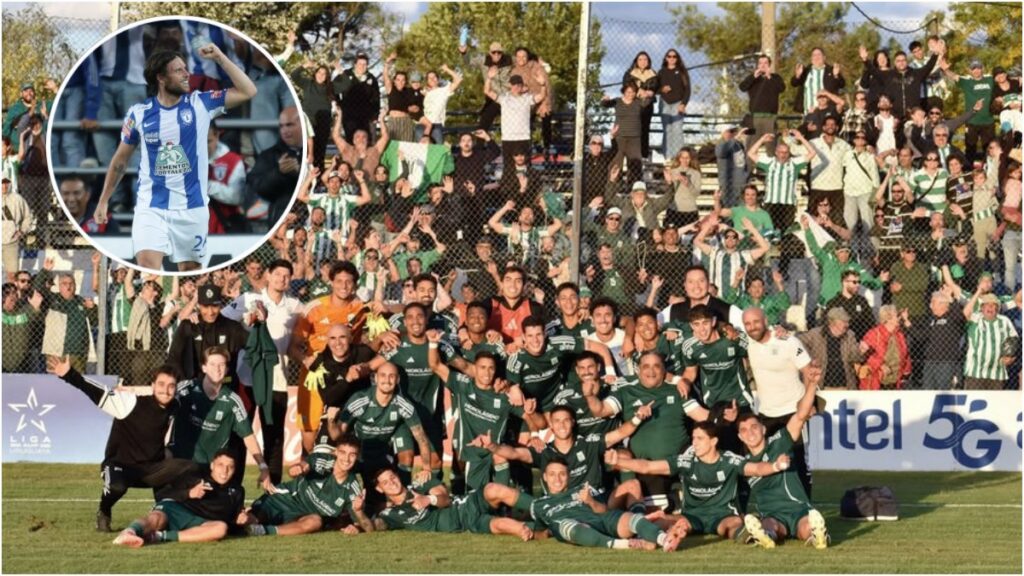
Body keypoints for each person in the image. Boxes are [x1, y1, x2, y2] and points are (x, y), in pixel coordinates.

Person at [94, 46, 257, 271]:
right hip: (151, 207)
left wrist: (220, 58)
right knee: (147, 267)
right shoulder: (138, 113)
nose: (186, 74)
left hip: (193, 208)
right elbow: (120, 160)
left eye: (185, 68)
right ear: (161, 77)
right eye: (178, 70)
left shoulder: (201, 103)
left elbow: (248, 91)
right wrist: (104, 200)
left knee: (190, 273)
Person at [47, 356, 199, 532]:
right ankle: (104, 511)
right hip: (120, 467)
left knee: (191, 468)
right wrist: (69, 374)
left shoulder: (175, 405)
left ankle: (169, 513)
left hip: (150, 470)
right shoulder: (130, 403)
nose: (166, 390)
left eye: (171, 386)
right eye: (161, 384)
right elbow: (97, 391)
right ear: (152, 386)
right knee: (116, 487)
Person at [605, 421, 788, 544]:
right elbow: (648, 467)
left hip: (722, 515)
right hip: (692, 517)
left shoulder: (730, 460)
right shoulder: (686, 461)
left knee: (732, 525)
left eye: (700, 438)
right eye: (693, 438)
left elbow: (756, 469)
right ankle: (659, 537)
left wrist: (775, 465)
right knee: (659, 522)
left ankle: (750, 536)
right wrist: (619, 461)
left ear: (713, 441)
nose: (694, 443)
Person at [221, 259, 302, 484]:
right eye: (277, 274)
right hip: (245, 378)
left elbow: (304, 334)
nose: (281, 279)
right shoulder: (249, 299)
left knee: (274, 437)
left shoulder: (294, 306)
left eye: (286, 276)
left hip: (277, 380)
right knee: (238, 434)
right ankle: (231, 489)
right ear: (267, 275)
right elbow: (221, 321)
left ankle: (272, 490)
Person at [428, 341, 546, 490]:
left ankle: (504, 504)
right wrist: (432, 344)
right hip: (473, 454)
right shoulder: (463, 385)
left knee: (500, 456)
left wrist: (534, 434)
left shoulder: (504, 395)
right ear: (474, 369)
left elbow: (528, 416)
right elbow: (436, 365)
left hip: (496, 450)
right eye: (482, 367)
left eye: (491, 368)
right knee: (475, 498)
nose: (487, 372)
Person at [736, 365, 829, 550]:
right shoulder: (743, 463)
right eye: (744, 431)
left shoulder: (779, 442)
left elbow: (801, 414)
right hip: (772, 515)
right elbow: (758, 469)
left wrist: (811, 384)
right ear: (740, 437)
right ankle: (765, 536)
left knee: (805, 526)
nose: (750, 433)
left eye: (754, 427)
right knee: (771, 527)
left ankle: (817, 535)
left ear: (763, 429)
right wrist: (775, 466)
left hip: (799, 509)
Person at [169, 346, 273, 490]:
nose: (217, 369)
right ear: (203, 367)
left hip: (211, 472)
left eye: (221, 365)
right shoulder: (185, 390)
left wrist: (263, 466)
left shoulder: (232, 401)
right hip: (181, 466)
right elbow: (160, 412)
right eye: (212, 364)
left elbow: (248, 436)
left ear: (227, 369)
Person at [290, 260, 368, 452]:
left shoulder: (360, 308)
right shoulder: (314, 308)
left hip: (344, 379)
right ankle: (307, 473)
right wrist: (306, 361)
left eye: (348, 281)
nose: (344, 286)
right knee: (309, 432)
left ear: (355, 284)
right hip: (315, 377)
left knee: (342, 433)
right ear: (331, 282)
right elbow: (293, 346)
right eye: (339, 281)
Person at [741, 308, 817, 495]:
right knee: (769, 464)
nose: (752, 327)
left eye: (756, 322)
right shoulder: (746, 342)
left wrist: (809, 402)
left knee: (800, 463)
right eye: (748, 324)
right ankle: (776, 509)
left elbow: (809, 372)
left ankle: (806, 512)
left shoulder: (788, 341)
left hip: (794, 411)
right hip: (767, 414)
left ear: (765, 320)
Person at [528, 458, 681, 551]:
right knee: (566, 526)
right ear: (545, 477)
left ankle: (665, 540)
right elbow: (541, 531)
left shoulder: (582, 489)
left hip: (602, 520)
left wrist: (590, 501)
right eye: (552, 474)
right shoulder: (539, 504)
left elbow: (603, 510)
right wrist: (529, 533)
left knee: (633, 519)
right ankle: (627, 544)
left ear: (568, 476)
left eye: (562, 474)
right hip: (579, 529)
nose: (557, 479)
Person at [241, 435, 370, 536]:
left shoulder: (352, 487)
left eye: (352, 455)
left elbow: (367, 526)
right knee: (245, 522)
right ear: (336, 452)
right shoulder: (321, 461)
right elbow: (300, 467)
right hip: (282, 499)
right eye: (343, 452)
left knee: (315, 522)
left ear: (357, 457)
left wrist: (358, 519)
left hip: (301, 517)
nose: (346, 459)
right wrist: (298, 469)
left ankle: (264, 531)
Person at [112, 450, 244, 547]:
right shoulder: (196, 474)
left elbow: (234, 521)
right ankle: (129, 532)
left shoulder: (238, 491)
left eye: (230, 467)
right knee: (157, 518)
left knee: (221, 528)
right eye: (221, 465)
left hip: (200, 522)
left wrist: (242, 520)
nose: (225, 471)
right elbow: (164, 494)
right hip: (176, 508)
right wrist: (189, 493)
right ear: (212, 465)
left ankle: (158, 537)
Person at [370, 468, 535, 539]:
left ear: (398, 476)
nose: (391, 483)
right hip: (469, 523)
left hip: (466, 504)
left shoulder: (420, 484)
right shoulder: (390, 514)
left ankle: (544, 506)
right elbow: (374, 525)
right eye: (385, 482)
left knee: (494, 489)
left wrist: (428, 499)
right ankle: (549, 526)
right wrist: (356, 522)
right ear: (379, 488)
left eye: (392, 477)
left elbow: (445, 498)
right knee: (511, 526)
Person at [748, 130, 816, 231]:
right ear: (776, 152)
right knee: (770, 230)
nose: (783, 155)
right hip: (771, 202)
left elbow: (812, 153)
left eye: (785, 152)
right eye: (780, 152)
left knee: (786, 232)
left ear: (789, 153)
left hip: (788, 203)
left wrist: (801, 138)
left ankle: (783, 245)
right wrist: (762, 139)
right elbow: (750, 153)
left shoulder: (794, 163)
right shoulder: (769, 162)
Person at [692, 216, 770, 304]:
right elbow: (697, 241)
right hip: (717, 297)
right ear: (724, 240)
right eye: (727, 236)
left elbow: (765, 247)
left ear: (737, 241)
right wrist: (709, 224)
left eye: (734, 237)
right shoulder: (716, 252)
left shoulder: (743, 255)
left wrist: (752, 229)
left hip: (737, 298)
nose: (730, 239)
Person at [247, 106, 303, 225]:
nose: (284, 130)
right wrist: (279, 173)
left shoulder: (315, 152)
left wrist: (300, 172)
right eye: (281, 126)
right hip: (281, 220)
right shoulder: (268, 155)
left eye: (289, 125)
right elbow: (258, 187)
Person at [939, 59, 996, 165]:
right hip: (971, 121)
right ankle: (969, 171)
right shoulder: (967, 82)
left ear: (982, 69)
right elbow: (954, 76)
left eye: (978, 68)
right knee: (970, 149)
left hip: (988, 121)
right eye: (973, 69)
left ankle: (990, 170)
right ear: (970, 71)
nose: (976, 71)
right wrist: (945, 69)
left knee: (990, 149)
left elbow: (1004, 80)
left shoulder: (990, 79)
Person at [962, 290, 1019, 389]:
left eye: (993, 305)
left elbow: (1014, 341)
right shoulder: (976, 318)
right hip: (976, 373)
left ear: (997, 308)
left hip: (997, 372)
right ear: (982, 308)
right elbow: (965, 313)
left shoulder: (1005, 321)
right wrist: (978, 292)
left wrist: (1011, 357)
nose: (990, 308)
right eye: (987, 305)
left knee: (995, 403)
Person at [798, 307, 863, 389]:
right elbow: (798, 341)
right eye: (844, 321)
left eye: (848, 322)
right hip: (821, 385)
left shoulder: (849, 335)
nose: (847, 325)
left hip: (845, 386)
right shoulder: (816, 334)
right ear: (832, 322)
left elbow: (855, 358)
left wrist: (861, 351)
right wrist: (809, 359)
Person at [601, 81, 649, 184]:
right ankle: (613, 185)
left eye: (633, 92)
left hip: (634, 139)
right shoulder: (618, 101)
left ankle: (634, 187)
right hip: (619, 137)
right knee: (616, 163)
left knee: (635, 165)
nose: (630, 94)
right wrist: (604, 100)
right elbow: (606, 104)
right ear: (623, 92)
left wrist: (644, 94)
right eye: (628, 92)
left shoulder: (638, 102)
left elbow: (647, 102)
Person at [857, 305, 912, 390]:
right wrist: (880, 365)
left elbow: (906, 355)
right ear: (888, 319)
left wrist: (906, 374)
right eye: (896, 315)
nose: (899, 318)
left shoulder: (899, 335)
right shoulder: (874, 334)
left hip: (895, 382)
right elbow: (863, 354)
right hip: (876, 382)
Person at [739, 55, 786, 153]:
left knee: (771, 148)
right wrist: (753, 77)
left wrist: (769, 77)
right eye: (760, 63)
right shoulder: (753, 78)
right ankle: (749, 167)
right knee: (751, 148)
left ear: (770, 65)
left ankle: (770, 167)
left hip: (770, 118)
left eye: (765, 63)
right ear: (757, 65)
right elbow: (742, 87)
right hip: (755, 118)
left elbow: (781, 88)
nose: (763, 65)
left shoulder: (775, 78)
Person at [808, 116, 851, 216]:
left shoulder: (844, 145)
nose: (830, 127)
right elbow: (796, 150)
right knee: (814, 220)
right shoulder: (813, 143)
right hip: (818, 187)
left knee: (837, 219)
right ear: (823, 127)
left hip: (837, 188)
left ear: (836, 127)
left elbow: (853, 158)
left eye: (833, 125)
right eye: (827, 124)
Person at [335, 52, 382, 144]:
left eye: (365, 64)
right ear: (355, 64)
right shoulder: (346, 74)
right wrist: (339, 104)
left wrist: (375, 115)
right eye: (360, 64)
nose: (362, 66)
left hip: (365, 117)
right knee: (351, 140)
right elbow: (334, 88)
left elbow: (376, 98)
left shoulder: (371, 78)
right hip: (349, 115)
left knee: (365, 141)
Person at [623, 52, 658, 159]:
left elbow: (655, 86)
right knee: (633, 127)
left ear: (648, 61)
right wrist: (639, 90)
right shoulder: (630, 73)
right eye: (640, 59)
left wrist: (649, 92)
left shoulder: (653, 73)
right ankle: (630, 152)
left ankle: (643, 154)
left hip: (647, 104)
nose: (643, 62)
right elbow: (626, 85)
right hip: (633, 104)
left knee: (645, 128)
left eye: (645, 59)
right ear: (636, 61)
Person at [791, 48, 846, 116]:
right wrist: (797, 76)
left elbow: (842, 84)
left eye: (819, 55)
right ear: (811, 58)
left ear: (824, 57)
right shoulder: (805, 71)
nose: (816, 57)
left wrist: (836, 75)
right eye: (814, 55)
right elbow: (794, 83)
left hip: (827, 112)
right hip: (809, 112)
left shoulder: (831, 70)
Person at [658, 49, 691, 160]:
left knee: (677, 130)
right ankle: (667, 157)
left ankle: (678, 158)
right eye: (669, 56)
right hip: (665, 103)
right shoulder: (661, 72)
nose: (672, 58)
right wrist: (662, 89)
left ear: (677, 58)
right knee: (667, 130)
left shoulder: (682, 71)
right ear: (666, 58)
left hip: (678, 103)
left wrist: (683, 104)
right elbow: (655, 89)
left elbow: (687, 89)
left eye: (674, 56)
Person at [2, 176, 34, 277]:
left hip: (11, 242)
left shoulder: (17, 199)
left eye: (6, 183)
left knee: (12, 275)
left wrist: (22, 231)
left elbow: (28, 216)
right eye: (2, 183)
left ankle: (12, 293)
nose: (4, 186)